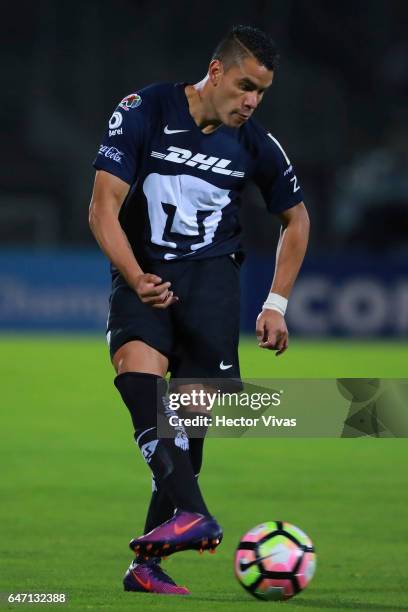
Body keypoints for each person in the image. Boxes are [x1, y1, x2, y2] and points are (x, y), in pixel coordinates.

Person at [89, 24, 309, 596]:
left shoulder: (255, 143)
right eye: (243, 86)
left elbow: (297, 219)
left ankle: (148, 564)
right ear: (215, 72)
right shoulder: (145, 109)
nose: (250, 101)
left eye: (260, 92)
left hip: (212, 283)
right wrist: (136, 278)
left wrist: (276, 302)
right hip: (145, 273)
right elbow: (102, 208)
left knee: (186, 432)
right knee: (135, 376)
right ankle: (193, 513)